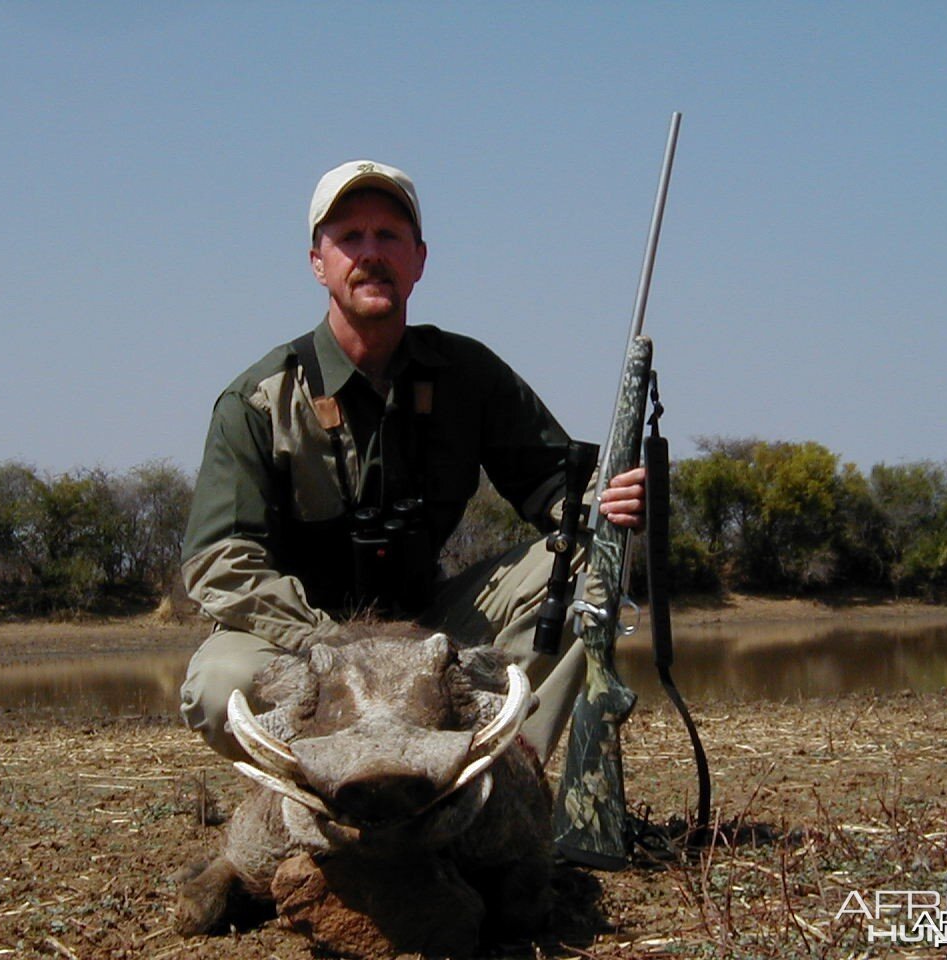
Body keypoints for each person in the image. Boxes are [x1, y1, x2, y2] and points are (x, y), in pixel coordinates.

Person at [179, 159, 645, 764]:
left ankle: (496, 782)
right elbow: (220, 562)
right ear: (317, 262)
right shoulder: (259, 400)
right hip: (303, 639)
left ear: (419, 260)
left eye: (389, 236)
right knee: (219, 688)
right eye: (349, 237)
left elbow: (557, 486)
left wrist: (612, 504)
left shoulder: (468, 372)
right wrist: (331, 645)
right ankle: (320, 793)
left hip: (432, 628)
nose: (370, 252)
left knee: (596, 565)